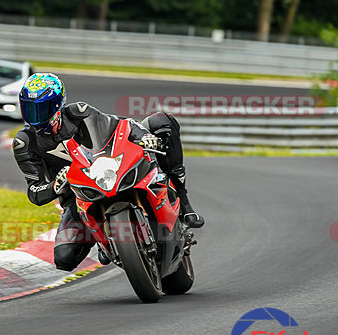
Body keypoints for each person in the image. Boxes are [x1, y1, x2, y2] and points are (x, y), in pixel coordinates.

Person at [11, 72, 205, 271]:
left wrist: (143, 136)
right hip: (77, 196)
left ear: (57, 105)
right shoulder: (24, 142)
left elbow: (119, 124)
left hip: (110, 169)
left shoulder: (79, 112)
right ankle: (103, 239)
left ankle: (184, 202)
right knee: (64, 258)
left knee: (162, 122)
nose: (35, 116)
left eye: (41, 109)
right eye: (29, 108)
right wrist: (55, 186)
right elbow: (34, 192)